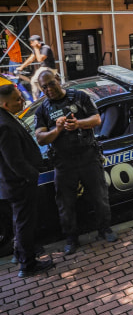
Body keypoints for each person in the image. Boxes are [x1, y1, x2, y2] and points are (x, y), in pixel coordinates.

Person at [35, 70, 117, 256]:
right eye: (44, 87)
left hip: (88, 156)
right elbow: (40, 138)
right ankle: (71, 238)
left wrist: (78, 124)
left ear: (58, 80)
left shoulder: (79, 97)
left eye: (51, 84)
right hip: (63, 163)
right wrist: (57, 130)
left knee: (99, 196)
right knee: (65, 203)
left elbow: (96, 119)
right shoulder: (43, 109)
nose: (49, 89)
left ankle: (105, 229)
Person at [0, 83, 54, 278]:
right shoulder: (4, 126)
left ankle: (19, 254)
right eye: (17, 99)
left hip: (14, 183)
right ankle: (28, 264)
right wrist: (32, 175)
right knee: (24, 223)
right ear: (5, 104)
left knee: (19, 222)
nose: (22, 101)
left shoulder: (5, 119)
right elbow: (14, 161)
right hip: (19, 184)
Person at [15, 35, 56, 101]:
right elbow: (31, 59)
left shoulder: (45, 48)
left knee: (34, 80)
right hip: (43, 68)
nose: (31, 44)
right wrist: (21, 67)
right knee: (34, 81)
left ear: (36, 42)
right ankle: (41, 96)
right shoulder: (36, 49)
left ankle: (39, 98)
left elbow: (40, 59)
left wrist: (36, 49)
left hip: (49, 69)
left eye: (32, 42)